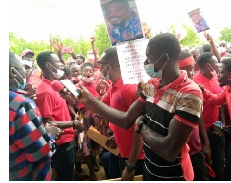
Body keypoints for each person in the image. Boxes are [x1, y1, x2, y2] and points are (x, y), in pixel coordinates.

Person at [70, 33, 203, 181]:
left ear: (164, 58)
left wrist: (141, 126)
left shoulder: (189, 93)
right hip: (150, 168)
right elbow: (127, 120)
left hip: (174, 174)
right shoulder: (152, 85)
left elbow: (169, 150)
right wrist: (89, 101)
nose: (145, 62)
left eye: (149, 57)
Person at [9, 51, 60, 180]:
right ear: (13, 72)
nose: (28, 72)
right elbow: (42, 153)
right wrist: (50, 133)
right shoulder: (19, 105)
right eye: (23, 68)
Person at [96, 47, 145, 180]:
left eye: (100, 65)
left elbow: (139, 127)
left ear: (107, 66)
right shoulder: (114, 86)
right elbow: (99, 106)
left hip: (136, 157)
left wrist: (131, 165)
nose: (99, 69)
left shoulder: (129, 88)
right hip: (122, 151)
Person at [35, 51, 84, 181]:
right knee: (66, 177)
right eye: (57, 62)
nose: (61, 65)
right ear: (48, 65)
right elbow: (47, 124)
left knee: (69, 173)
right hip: (61, 144)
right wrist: (73, 124)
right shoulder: (45, 91)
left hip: (67, 139)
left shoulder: (55, 85)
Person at [178, 50, 211, 181]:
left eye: (192, 70)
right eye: (186, 71)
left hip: (196, 151)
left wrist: (206, 143)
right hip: (178, 155)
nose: (191, 75)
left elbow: (199, 116)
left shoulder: (193, 89)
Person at [193, 52, 225, 180]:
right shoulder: (195, 82)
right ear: (208, 65)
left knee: (219, 162)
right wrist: (205, 141)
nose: (218, 64)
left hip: (216, 128)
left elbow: (220, 101)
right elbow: (197, 112)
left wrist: (222, 121)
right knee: (206, 164)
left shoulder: (216, 78)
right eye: (215, 62)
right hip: (202, 132)